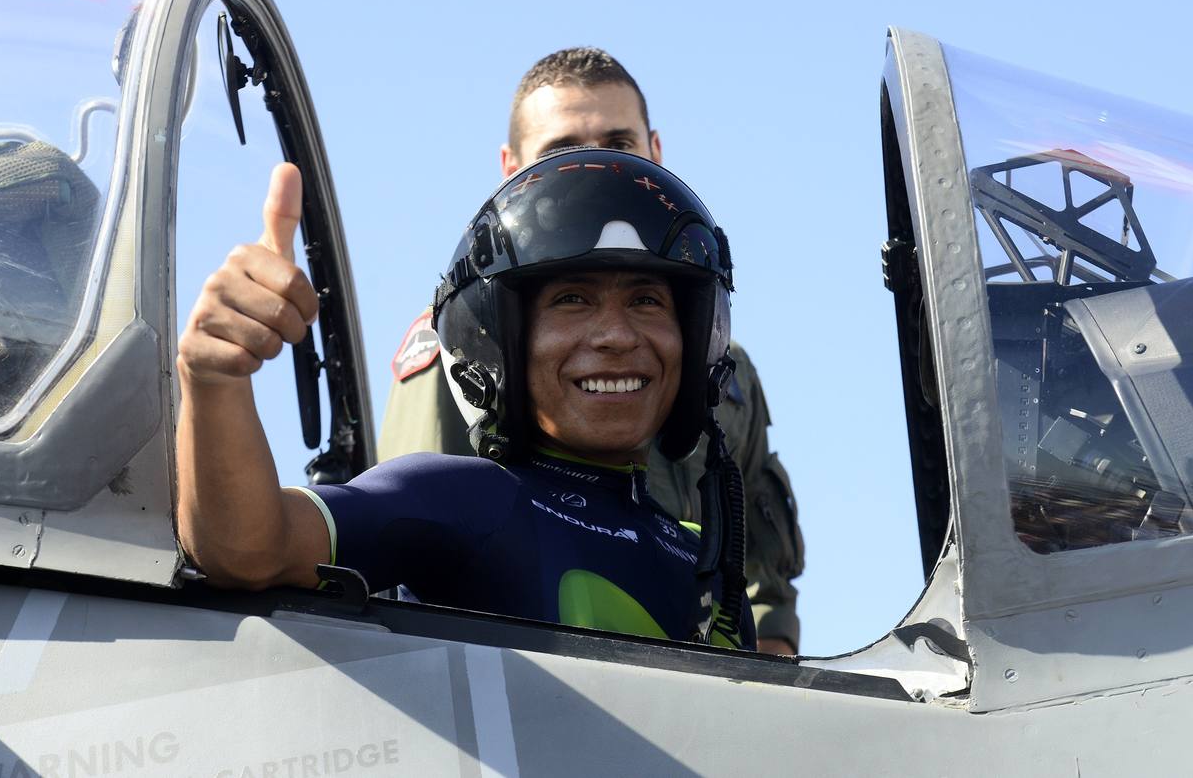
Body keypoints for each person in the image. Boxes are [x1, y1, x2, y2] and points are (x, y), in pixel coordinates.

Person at [176, 149, 755, 649]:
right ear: (498, 340)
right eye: (573, 299)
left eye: (647, 301)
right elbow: (248, 548)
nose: (616, 335)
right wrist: (213, 381)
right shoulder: (468, 501)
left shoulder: (707, 562)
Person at [377, 48, 805, 654]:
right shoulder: (464, 349)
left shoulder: (719, 367)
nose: (595, 163)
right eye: (562, 150)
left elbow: (762, 587)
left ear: (655, 151)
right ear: (511, 168)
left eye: (618, 142)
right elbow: (411, 567)